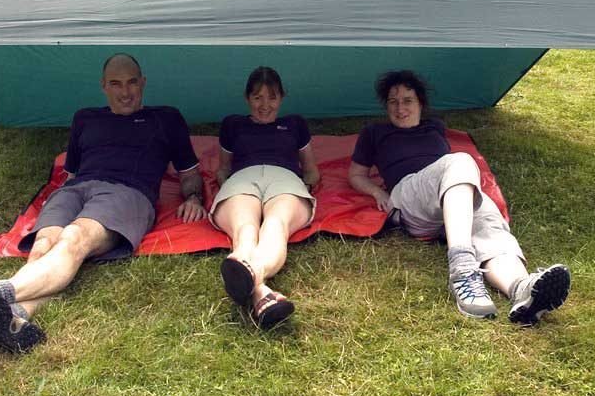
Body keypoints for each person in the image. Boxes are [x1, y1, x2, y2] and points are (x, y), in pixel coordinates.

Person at [0, 53, 206, 352]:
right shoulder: (85, 118)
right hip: (76, 188)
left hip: (126, 192)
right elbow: (69, 173)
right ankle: (16, 320)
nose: (126, 91)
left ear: (143, 83)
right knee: (45, 244)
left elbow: (190, 172)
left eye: (132, 82)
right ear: (103, 86)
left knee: (74, 238)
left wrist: (193, 196)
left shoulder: (165, 118)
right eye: (116, 83)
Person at [348, 70, 570, 325]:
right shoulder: (374, 133)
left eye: (407, 100)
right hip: (410, 195)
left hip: (451, 197)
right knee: (461, 162)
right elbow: (356, 174)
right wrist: (377, 191)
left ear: (421, 103)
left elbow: (449, 171)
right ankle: (463, 269)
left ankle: (520, 289)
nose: (400, 108)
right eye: (393, 101)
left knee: (489, 227)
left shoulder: (435, 127)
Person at [211, 67, 320, 329]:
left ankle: (252, 278)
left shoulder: (295, 124)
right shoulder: (233, 124)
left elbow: (311, 169)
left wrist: (306, 185)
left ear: (282, 97)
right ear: (247, 98)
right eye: (258, 97)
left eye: (271, 97)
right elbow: (224, 167)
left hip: (284, 178)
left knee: (275, 225)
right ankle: (260, 291)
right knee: (245, 228)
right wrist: (225, 184)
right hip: (243, 178)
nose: (265, 105)